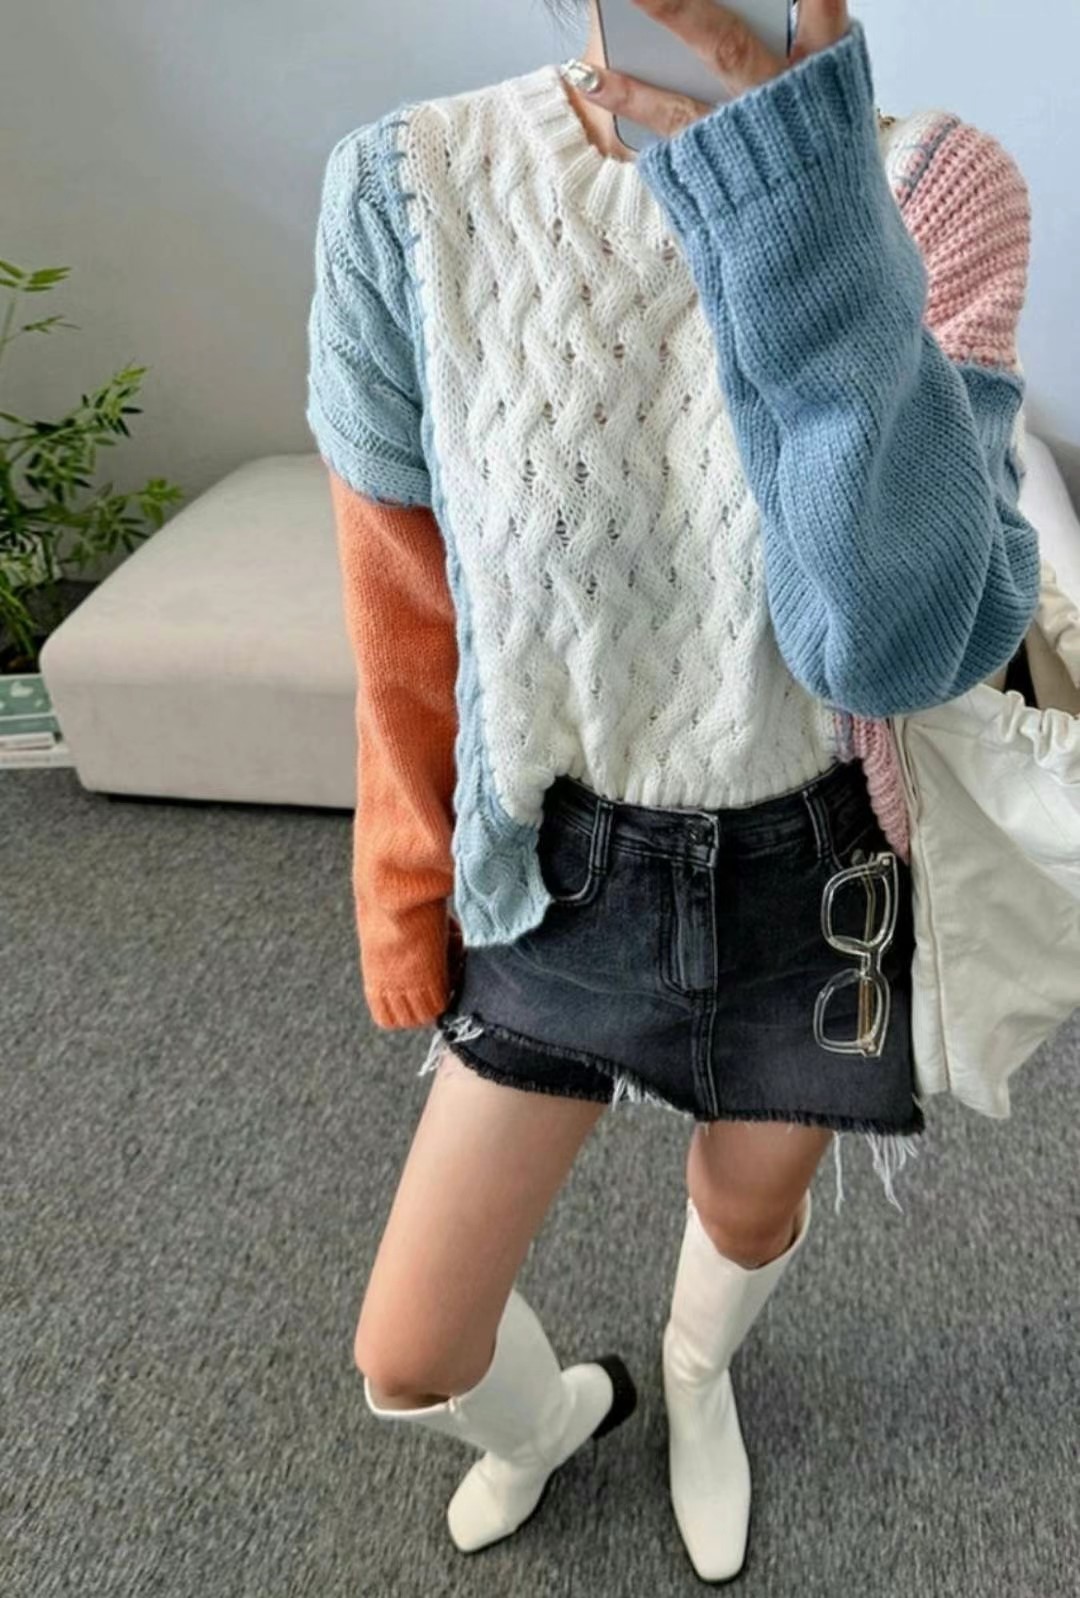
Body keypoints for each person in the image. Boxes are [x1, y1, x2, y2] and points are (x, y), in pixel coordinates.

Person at [305, 0, 1038, 1580]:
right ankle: (550, 1419)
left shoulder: (942, 186)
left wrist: (806, 206)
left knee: (750, 1210)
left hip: (817, 867)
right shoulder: (405, 190)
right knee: (411, 1350)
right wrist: (405, 886)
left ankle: (698, 1378)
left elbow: (891, 639)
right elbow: (403, 617)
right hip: (560, 871)